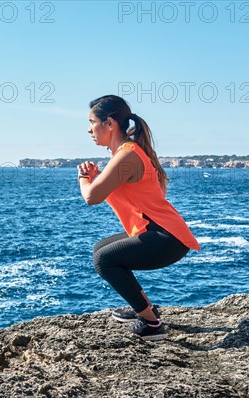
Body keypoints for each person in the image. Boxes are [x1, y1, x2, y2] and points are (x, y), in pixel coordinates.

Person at [77, 95, 200, 341]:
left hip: (167, 239)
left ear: (109, 123)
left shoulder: (127, 155)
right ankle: (144, 308)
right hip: (161, 233)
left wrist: (83, 177)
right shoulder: (129, 152)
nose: (89, 129)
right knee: (101, 248)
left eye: (92, 122)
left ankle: (151, 324)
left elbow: (91, 196)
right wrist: (98, 176)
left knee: (105, 259)